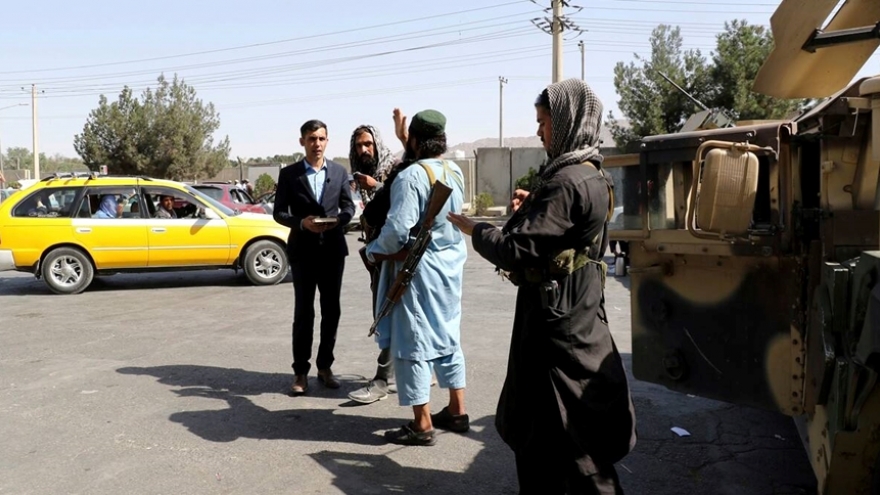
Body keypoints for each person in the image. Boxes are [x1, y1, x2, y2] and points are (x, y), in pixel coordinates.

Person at [448, 79, 637, 494]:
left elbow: (515, 251)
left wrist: (476, 229)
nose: (539, 131)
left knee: (566, 439)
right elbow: (557, 237)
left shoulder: (566, 182)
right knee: (557, 435)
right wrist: (534, 207)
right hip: (578, 315)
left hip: (555, 330)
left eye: (544, 122)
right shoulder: (591, 174)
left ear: (567, 121)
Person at [364, 109, 469, 446]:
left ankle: (422, 425)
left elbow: (397, 232)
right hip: (449, 268)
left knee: (413, 342)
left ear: (414, 141)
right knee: (448, 336)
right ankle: (457, 410)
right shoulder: (454, 170)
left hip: (418, 274)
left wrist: (373, 250)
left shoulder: (411, 176)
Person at [273, 119, 355, 396]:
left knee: (331, 311)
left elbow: (348, 206)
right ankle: (300, 372)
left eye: (321, 138)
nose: (316, 144)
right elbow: (279, 212)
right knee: (304, 312)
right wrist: (301, 223)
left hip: (333, 251)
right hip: (303, 252)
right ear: (302, 142)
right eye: (311, 139)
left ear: (327, 141)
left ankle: (325, 367)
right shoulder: (289, 174)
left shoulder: (339, 172)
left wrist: (338, 221)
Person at [346, 121, 403, 404]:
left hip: (394, 254)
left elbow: (403, 201)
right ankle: (409, 370)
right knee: (385, 313)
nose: (364, 150)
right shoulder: (360, 173)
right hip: (376, 255)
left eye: (368, 144)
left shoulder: (394, 169)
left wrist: (376, 186)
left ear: (377, 144)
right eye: (359, 145)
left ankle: (383, 380)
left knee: (388, 314)